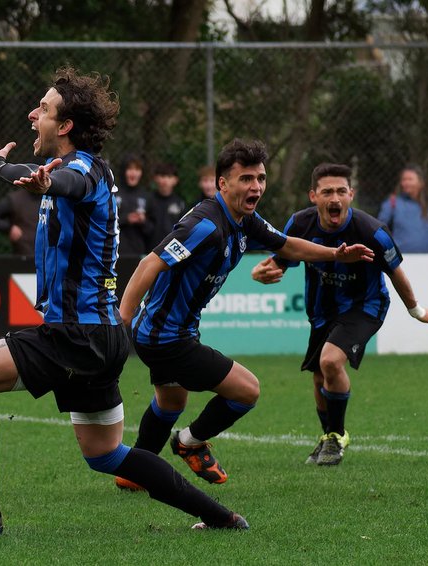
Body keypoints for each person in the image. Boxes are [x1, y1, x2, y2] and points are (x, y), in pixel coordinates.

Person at [0, 67, 249, 536]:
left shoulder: (83, 169)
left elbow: (68, 184)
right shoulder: (72, 169)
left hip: (78, 335)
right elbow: (47, 179)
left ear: (65, 127)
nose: (32, 113)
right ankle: (222, 517)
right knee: (107, 455)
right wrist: (4, 170)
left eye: (44, 108)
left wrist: (38, 182)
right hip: (100, 336)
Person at [115, 140, 374, 491]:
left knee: (171, 401)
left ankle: (134, 473)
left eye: (261, 178)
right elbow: (150, 263)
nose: (256, 187)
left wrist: (335, 254)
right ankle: (189, 443)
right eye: (246, 179)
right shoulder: (207, 224)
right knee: (247, 391)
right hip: (165, 337)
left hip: (171, 332)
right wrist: (121, 320)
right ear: (223, 184)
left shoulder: (245, 220)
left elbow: (287, 245)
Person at [251, 163, 428, 466]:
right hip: (321, 311)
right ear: (313, 196)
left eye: (341, 191)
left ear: (351, 194)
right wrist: (265, 271)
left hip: (365, 307)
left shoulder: (372, 232)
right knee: (318, 378)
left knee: (330, 361)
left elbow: (396, 274)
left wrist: (415, 310)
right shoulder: (299, 224)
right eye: (327, 191)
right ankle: (328, 437)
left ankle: (337, 436)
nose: (335, 198)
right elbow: (285, 260)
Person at [377, 165, 428, 253]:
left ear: (421, 182)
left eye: (410, 179)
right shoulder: (392, 203)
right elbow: (380, 229)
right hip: (403, 260)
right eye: (404, 180)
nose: (406, 183)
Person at [115, 153, 153, 258]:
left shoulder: (147, 196)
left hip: (139, 252)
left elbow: (152, 229)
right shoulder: (114, 193)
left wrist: (143, 221)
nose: (133, 173)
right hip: (116, 251)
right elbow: (105, 222)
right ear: (124, 171)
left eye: (137, 169)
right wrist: (126, 219)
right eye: (130, 169)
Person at [0, 187, 40, 256]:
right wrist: (9, 228)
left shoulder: (50, 197)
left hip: (47, 253)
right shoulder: (15, 199)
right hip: (24, 252)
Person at [145, 162, 187, 246]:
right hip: (150, 248)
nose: (165, 180)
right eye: (162, 176)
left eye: (169, 177)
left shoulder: (180, 203)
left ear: (175, 180)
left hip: (172, 248)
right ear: (156, 178)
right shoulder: (148, 200)